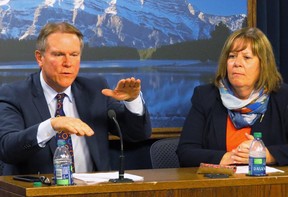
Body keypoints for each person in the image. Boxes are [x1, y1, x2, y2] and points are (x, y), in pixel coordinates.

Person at [0, 22, 151, 175]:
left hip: (93, 193)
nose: (68, 63)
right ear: (40, 58)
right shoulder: (14, 94)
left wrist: (132, 101)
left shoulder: (94, 89)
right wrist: (52, 125)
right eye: (59, 54)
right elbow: (7, 149)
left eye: (74, 55)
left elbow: (137, 134)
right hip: (39, 194)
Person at [177, 27, 288, 167]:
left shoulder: (282, 97)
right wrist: (226, 158)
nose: (237, 63)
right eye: (232, 56)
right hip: (218, 185)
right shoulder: (205, 96)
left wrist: (268, 155)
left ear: (263, 64)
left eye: (246, 57)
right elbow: (185, 152)